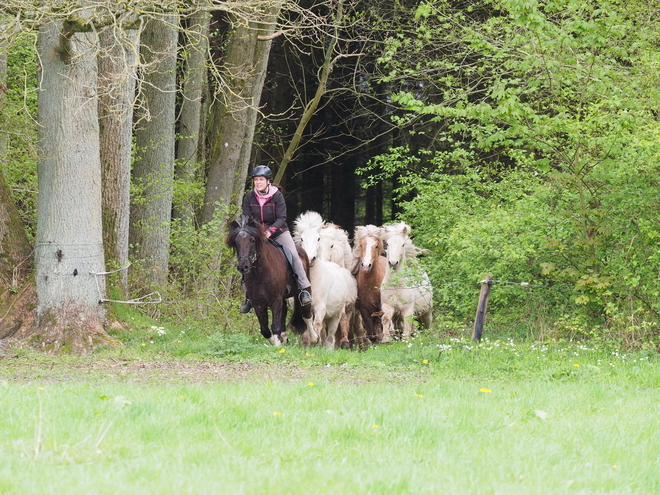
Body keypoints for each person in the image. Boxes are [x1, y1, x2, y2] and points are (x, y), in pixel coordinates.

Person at [239, 165, 312, 313]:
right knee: (244, 256)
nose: (258, 182)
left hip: (279, 232)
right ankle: (248, 296)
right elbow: (246, 217)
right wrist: (250, 231)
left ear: (268, 181)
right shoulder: (249, 197)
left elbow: (281, 218)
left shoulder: (277, 195)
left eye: (261, 179)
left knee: (294, 255)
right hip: (257, 233)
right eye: (256, 180)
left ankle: (304, 289)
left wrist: (270, 231)